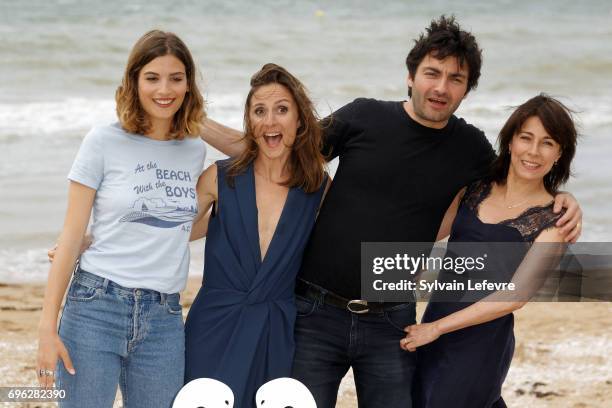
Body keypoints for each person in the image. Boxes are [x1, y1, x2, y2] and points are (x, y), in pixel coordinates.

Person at [200, 16, 583, 407]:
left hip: (393, 322)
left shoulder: (470, 148)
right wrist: (195, 121)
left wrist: (562, 199)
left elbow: (519, 179)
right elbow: (273, 153)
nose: (441, 87)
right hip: (315, 312)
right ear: (410, 76)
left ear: (467, 91)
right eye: (432, 73)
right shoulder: (363, 117)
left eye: (456, 78)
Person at [37, 30, 206, 407]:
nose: (165, 89)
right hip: (96, 306)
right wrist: (47, 329)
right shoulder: (103, 141)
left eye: (176, 78)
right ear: (133, 81)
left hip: (163, 316)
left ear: (188, 85)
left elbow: (177, 224)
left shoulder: (194, 150)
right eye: (152, 77)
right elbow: (71, 234)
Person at [403, 94, 577, 407]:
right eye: (526, 138)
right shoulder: (475, 189)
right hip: (432, 325)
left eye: (547, 142)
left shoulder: (553, 222)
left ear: (559, 153)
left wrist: (436, 329)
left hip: (480, 343)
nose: (533, 152)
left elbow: (516, 296)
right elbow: (426, 234)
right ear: (510, 141)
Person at [184, 63, 328, 407]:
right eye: (259, 111)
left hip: (276, 330)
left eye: (282, 110)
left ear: (299, 120)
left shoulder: (318, 187)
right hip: (213, 323)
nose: (270, 121)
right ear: (249, 121)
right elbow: (172, 231)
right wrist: (94, 238)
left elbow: (340, 251)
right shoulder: (220, 178)